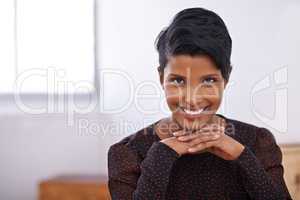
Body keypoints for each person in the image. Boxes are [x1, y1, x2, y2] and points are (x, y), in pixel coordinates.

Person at [107, 7, 292, 200]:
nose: (192, 99)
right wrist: (161, 157)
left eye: (209, 81)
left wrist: (242, 157)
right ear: (161, 78)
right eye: (178, 81)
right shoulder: (127, 153)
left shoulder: (258, 142)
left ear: (225, 80)